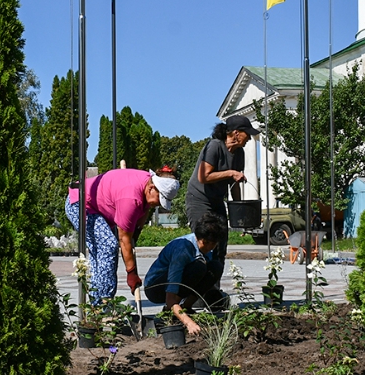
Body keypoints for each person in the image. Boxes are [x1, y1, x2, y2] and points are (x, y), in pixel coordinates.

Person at [65, 169, 180, 301]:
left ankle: (97, 305)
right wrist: (131, 273)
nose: (159, 204)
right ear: (152, 188)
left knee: (101, 253)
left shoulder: (148, 183)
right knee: (108, 246)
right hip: (80, 203)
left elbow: (145, 209)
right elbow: (124, 239)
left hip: (95, 207)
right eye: (160, 199)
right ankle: (103, 304)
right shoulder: (130, 199)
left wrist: (135, 234)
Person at [185, 114, 258, 279]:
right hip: (199, 199)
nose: (250, 138)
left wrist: (239, 213)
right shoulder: (215, 146)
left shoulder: (239, 153)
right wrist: (231, 173)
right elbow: (204, 176)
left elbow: (234, 183)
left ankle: (212, 291)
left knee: (220, 244)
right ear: (236, 133)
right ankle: (194, 292)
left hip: (217, 200)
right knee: (204, 242)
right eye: (248, 133)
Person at [143, 213, 227, 335]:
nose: (212, 247)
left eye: (215, 243)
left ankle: (186, 308)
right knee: (199, 267)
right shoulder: (183, 250)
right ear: (202, 240)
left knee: (215, 267)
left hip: (181, 281)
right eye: (210, 243)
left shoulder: (205, 248)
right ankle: (168, 312)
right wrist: (189, 323)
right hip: (156, 287)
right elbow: (170, 297)